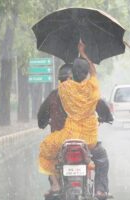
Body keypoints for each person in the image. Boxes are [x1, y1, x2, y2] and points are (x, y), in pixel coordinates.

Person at [39, 41, 109, 199]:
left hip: (69, 135)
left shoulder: (65, 89)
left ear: (71, 75)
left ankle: (55, 184)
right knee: (102, 157)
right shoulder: (92, 88)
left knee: (45, 149)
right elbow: (94, 73)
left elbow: (63, 82)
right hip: (89, 139)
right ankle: (100, 190)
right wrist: (84, 54)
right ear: (86, 74)